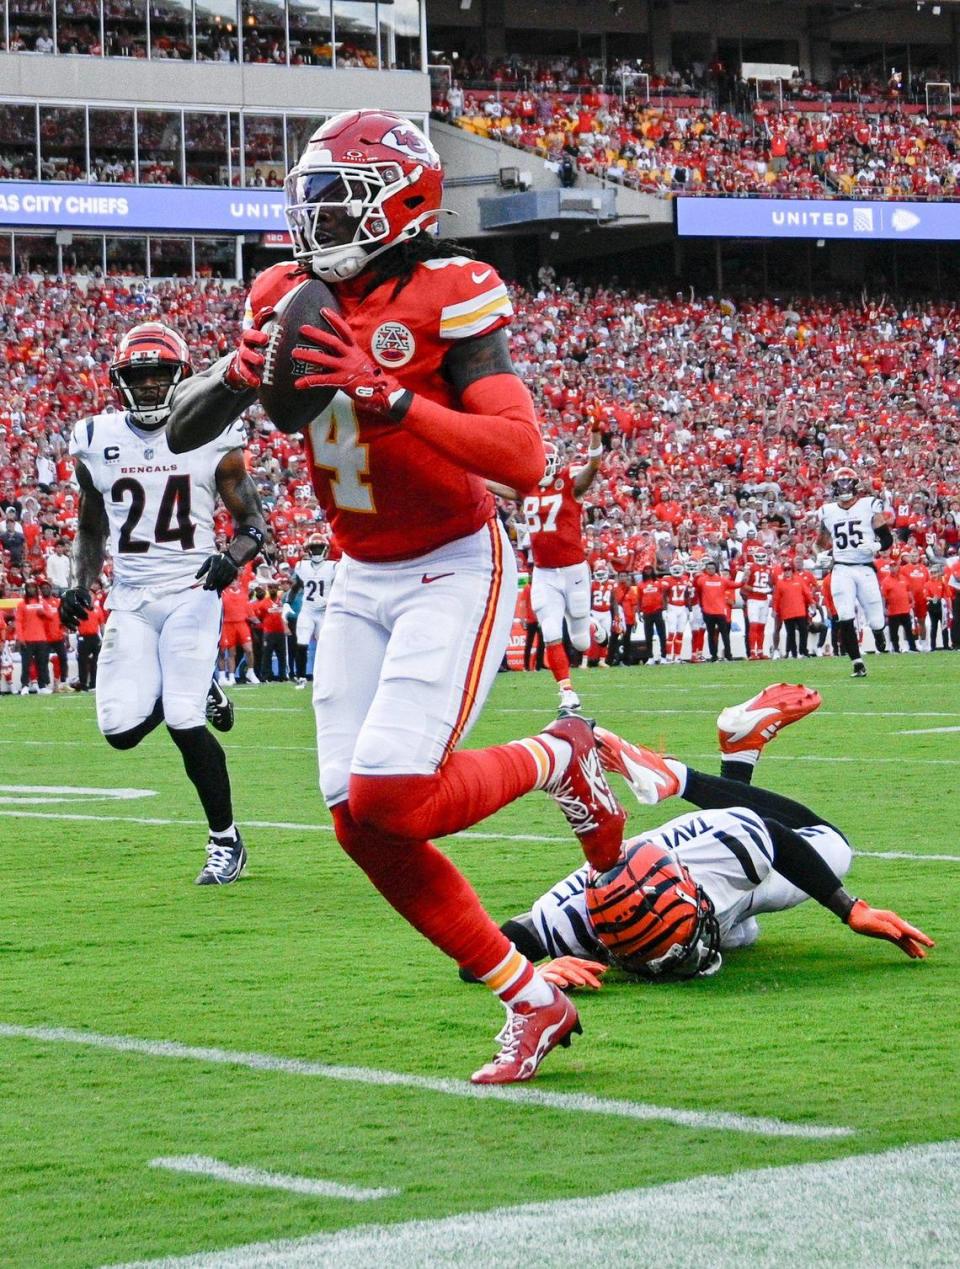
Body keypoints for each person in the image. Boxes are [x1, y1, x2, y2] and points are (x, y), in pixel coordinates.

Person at [165, 109, 626, 1085]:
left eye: (335, 197)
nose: (313, 215)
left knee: (388, 794)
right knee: (354, 817)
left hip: (454, 561)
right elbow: (183, 426)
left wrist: (397, 400)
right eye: (310, 196)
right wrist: (232, 375)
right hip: (356, 571)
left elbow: (523, 457)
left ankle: (560, 756)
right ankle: (529, 997)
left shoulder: (450, 293)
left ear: (400, 204)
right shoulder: (284, 291)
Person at [476, 684, 932, 987]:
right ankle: (741, 750)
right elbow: (476, 959)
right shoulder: (570, 917)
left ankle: (681, 777)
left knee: (832, 848)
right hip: (709, 899)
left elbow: (777, 837)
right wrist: (530, 971)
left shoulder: (721, 852)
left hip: (714, 867)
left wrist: (851, 910)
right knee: (738, 937)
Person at [60, 321, 268, 885]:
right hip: (130, 597)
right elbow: (91, 523)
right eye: (140, 377)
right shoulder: (94, 438)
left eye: (160, 377)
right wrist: (80, 582)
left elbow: (254, 524)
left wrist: (232, 556)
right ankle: (199, 681)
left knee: (182, 718)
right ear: (120, 380)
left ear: (179, 379)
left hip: (192, 590)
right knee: (121, 731)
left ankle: (225, 841)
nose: (150, 387)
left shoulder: (213, 434)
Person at [516, 430, 604, 710]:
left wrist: (596, 436)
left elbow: (593, 467)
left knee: (579, 642)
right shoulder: (525, 487)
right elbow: (491, 482)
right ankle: (567, 692)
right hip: (543, 572)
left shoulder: (569, 484)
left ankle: (590, 624)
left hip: (573, 571)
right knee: (551, 630)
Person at [817, 467, 892, 677]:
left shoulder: (869, 505)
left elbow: (887, 539)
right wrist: (820, 554)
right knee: (845, 615)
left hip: (865, 567)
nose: (844, 488)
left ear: (855, 484)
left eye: (847, 483)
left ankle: (878, 632)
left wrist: (877, 547)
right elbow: (820, 542)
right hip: (841, 568)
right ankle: (857, 662)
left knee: (876, 619)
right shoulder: (828, 511)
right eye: (840, 484)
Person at [288, 534, 337, 688]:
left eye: (319, 547)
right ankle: (301, 677)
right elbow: (296, 586)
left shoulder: (333, 567)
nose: (316, 551)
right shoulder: (302, 566)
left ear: (325, 549)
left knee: (325, 646)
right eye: (314, 548)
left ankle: (324, 677)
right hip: (307, 611)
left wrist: (331, 600)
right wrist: (287, 603)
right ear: (308, 550)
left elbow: (340, 588)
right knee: (302, 643)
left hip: (324, 611)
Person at [15, 580, 54, 694]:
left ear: (36, 589)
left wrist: (44, 613)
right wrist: (21, 638)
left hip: (41, 638)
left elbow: (51, 615)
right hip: (27, 639)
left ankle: (42, 686)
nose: (31, 589)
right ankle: (25, 686)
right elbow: (18, 622)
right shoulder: (22, 604)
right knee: (26, 664)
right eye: (29, 588)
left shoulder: (42, 602)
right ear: (26, 589)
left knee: (41, 663)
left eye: (33, 587)